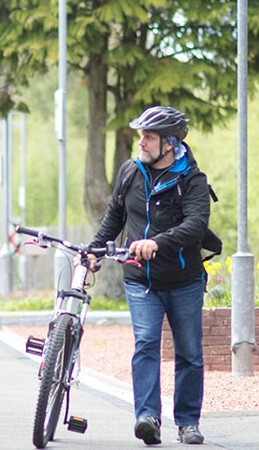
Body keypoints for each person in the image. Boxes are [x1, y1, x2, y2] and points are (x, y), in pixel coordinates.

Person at [92, 106, 212, 445]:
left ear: (169, 143)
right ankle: (147, 417)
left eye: (149, 137)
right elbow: (115, 215)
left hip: (184, 281)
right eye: (141, 135)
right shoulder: (131, 172)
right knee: (145, 344)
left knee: (189, 352)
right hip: (140, 279)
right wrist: (94, 249)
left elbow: (195, 225)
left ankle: (188, 421)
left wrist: (156, 242)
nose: (141, 142)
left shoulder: (192, 179)